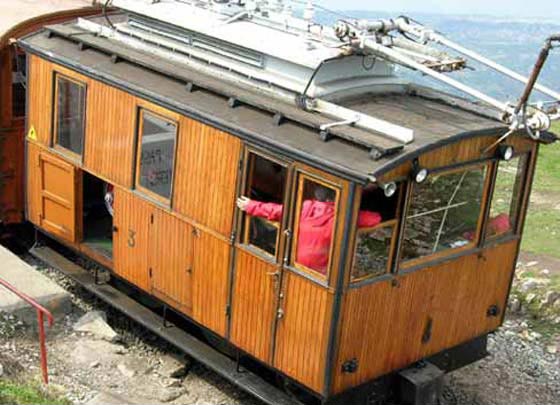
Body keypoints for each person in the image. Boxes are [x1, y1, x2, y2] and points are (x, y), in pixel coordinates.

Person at [237, 185, 382, 274]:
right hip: (322, 274)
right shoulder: (343, 216)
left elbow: (276, 211)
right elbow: (375, 219)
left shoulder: (305, 208)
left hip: (296, 266)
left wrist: (250, 205)